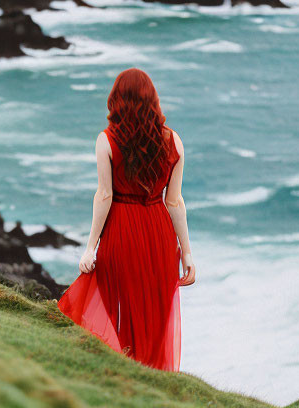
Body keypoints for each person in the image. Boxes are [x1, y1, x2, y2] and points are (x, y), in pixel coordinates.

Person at [57, 68, 195, 372]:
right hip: (159, 232)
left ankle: (123, 369)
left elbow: (104, 196)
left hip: (122, 229)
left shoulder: (106, 141)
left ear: (116, 99)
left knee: (120, 304)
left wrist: (90, 247)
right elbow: (174, 201)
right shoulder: (175, 142)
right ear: (153, 100)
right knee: (154, 312)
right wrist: (186, 253)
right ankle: (151, 375)